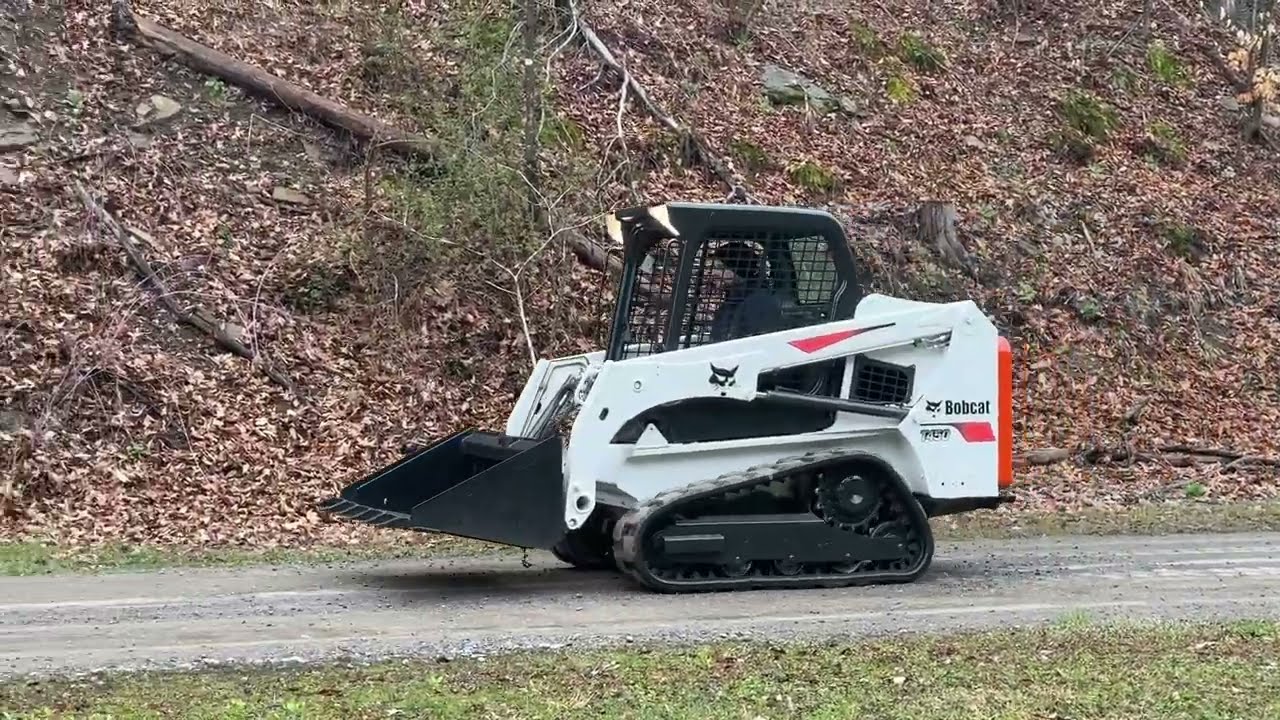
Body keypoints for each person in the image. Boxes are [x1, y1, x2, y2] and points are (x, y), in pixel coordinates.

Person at [708, 241, 787, 343]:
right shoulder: (733, 300)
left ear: (737, 268)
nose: (712, 272)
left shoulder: (758, 302)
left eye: (719, 267)